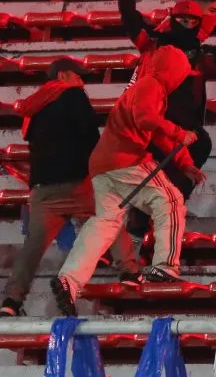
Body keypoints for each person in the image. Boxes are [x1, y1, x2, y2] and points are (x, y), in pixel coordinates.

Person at [51, 46, 205, 316]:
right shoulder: (152, 85)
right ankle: (165, 267)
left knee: (104, 223)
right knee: (170, 199)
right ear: (175, 71)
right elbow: (147, 121)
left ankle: (69, 280)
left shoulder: (143, 87)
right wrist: (180, 132)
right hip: (126, 159)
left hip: (102, 164)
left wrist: (186, 163)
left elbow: (155, 133)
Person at [0, 59, 140, 317]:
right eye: (79, 76)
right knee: (110, 213)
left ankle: (11, 300)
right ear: (64, 75)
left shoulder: (35, 104)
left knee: (33, 247)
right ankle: (129, 270)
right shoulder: (73, 95)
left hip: (43, 188)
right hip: (76, 182)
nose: (82, 82)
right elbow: (90, 136)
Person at [115, 0, 216, 204]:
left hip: (177, 131)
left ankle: (168, 203)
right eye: (211, 12)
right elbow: (130, 21)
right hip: (152, 127)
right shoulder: (153, 43)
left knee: (195, 150)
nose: (215, 19)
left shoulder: (197, 55)